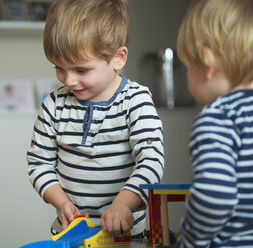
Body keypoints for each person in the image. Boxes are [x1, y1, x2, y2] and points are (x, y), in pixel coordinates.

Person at [26, 0, 164, 237]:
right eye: (58, 67)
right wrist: (62, 203)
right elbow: (39, 163)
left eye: (81, 70)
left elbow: (151, 162)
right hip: (72, 234)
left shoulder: (136, 101)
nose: (68, 80)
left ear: (117, 59)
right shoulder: (54, 105)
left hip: (128, 236)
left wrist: (123, 204)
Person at [176, 0, 253, 247]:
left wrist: (190, 241)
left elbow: (215, 195)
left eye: (187, 66)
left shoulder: (219, 117)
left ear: (207, 64)